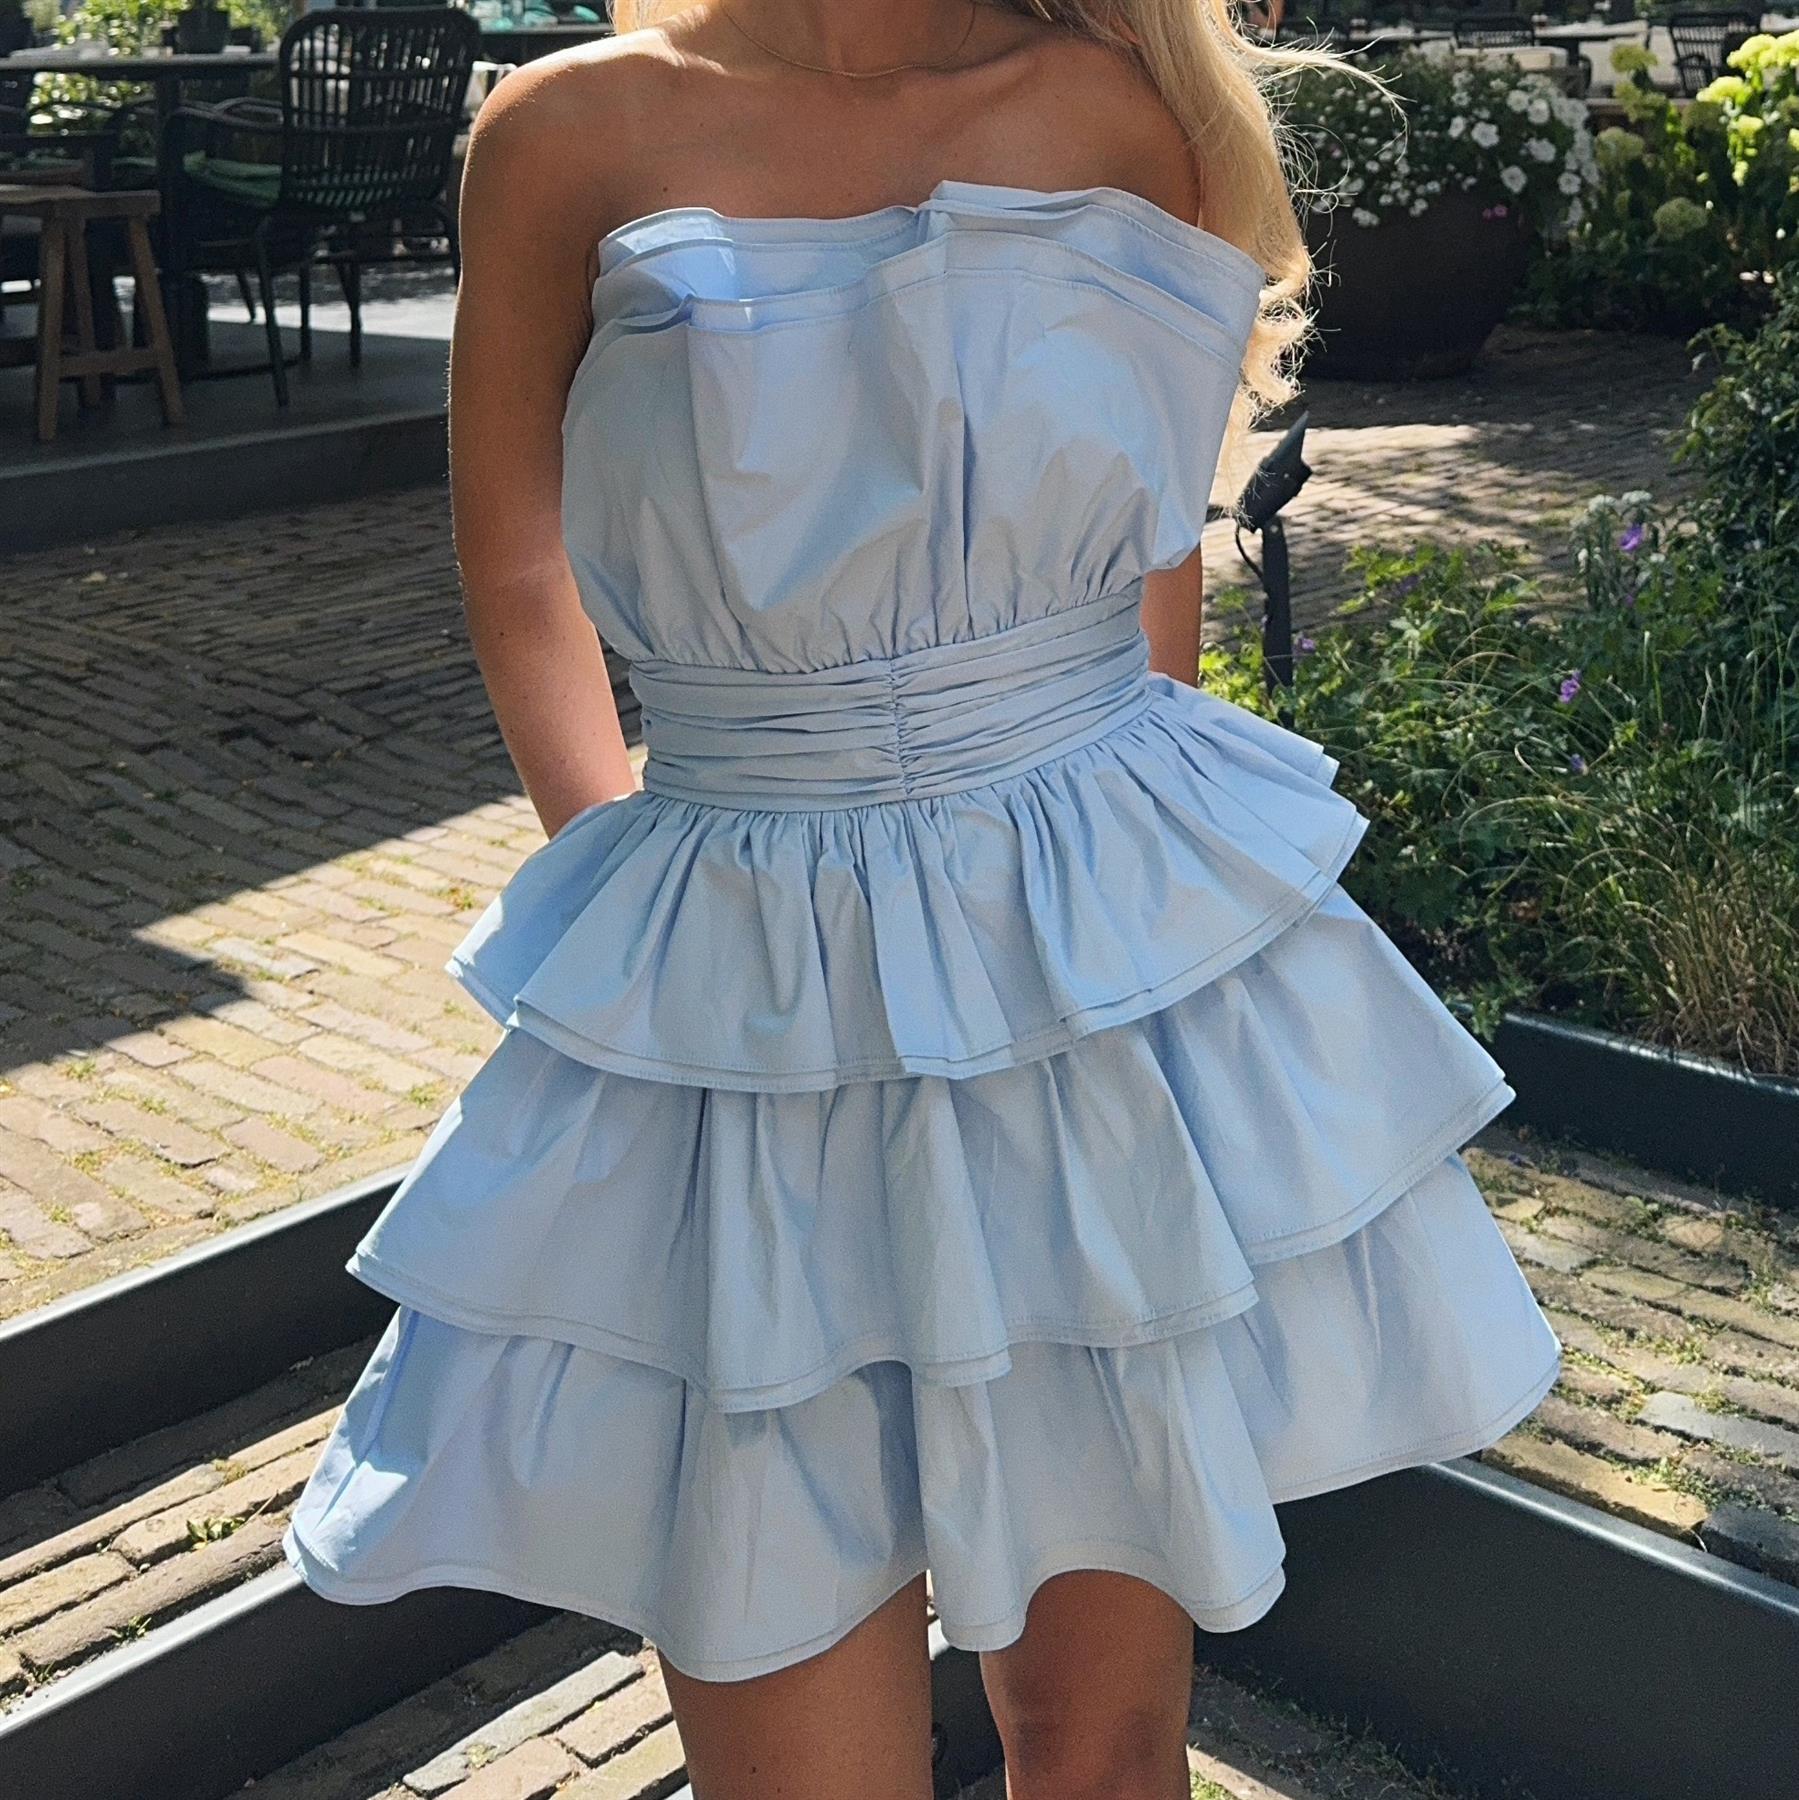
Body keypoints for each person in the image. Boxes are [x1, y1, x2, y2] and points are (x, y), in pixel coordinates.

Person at [282, 4, 1562, 1796]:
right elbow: (518, 566)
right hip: (743, 984)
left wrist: (1144, 960)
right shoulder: (566, 132)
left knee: (1107, 1748)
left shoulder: (1124, 108)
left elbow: (1153, 564)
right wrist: (637, 941)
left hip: (1079, 985)